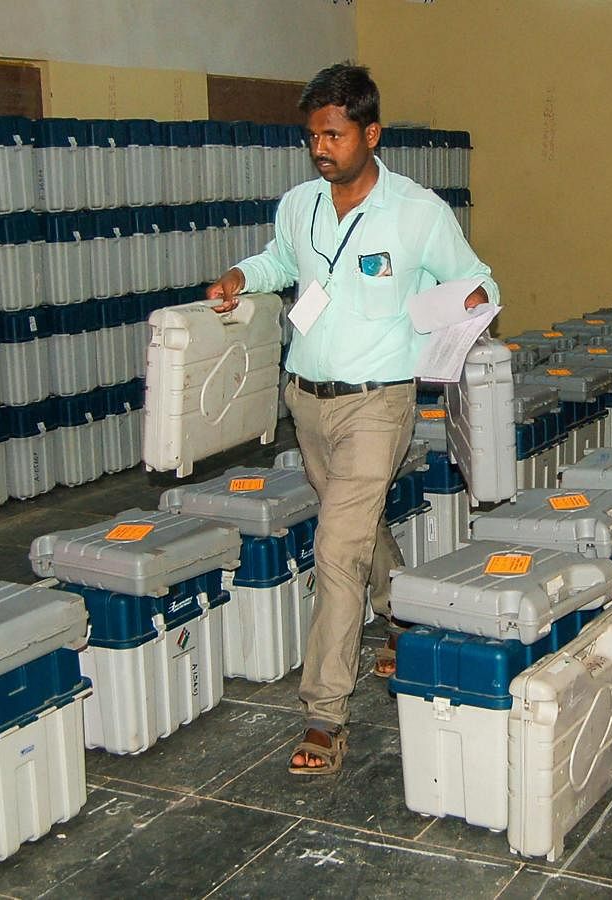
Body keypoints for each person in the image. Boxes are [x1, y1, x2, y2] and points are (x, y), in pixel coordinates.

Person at [206, 62, 498, 775]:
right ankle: (401, 618)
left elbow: (480, 279)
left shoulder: (418, 212)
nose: (320, 148)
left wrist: (470, 302)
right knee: (358, 527)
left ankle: (325, 716)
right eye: (313, 136)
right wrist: (242, 277)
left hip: (378, 402)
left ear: (371, 133)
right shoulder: (299, 204)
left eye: (333, 134)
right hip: (306, 399)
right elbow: (283, 261)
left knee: (336, 548)